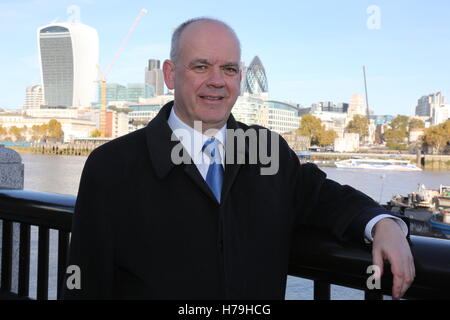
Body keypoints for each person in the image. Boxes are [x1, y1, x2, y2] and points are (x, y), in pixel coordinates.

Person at [63, 17, 415, 300]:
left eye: (229, 69)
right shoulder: (112, 166)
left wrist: (384, 224)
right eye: (201, 66)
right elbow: (85, 283)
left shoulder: (266, 149)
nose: (217, 81)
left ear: (240, 78)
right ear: (170, 75)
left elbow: (325, 198)